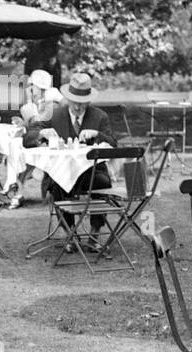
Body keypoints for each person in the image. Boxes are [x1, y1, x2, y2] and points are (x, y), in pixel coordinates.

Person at [23, 71, 117, 253]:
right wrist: (42, 133)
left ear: (88, 102)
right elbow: (28, 138)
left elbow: (113, 143)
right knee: (57, 184)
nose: (77, 107)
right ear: (67, 99)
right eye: (74, 102)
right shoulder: (55, 115)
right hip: (61, 170)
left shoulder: (99, 116)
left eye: (82, 104)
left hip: (91, 172)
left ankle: (95, 232)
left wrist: (97, 135)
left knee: (103, 182)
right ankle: (69, 233)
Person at [8, 70, 63, 207]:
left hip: (49, 143)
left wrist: (30, 118)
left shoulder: (52, 104)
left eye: (31, 86)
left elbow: (43, 125)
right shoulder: (40, 102)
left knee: (19, 147)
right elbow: (35, 124)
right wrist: (24, 123)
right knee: (15, 146)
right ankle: (18, 189)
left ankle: (19, 188)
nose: (28, 89)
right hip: (37, 140)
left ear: (40, 86)